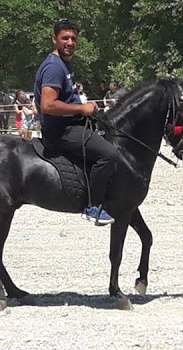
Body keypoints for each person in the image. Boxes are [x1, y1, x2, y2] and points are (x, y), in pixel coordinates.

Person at [34, 18, 119, 226]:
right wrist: (81, 108)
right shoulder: (54, 67)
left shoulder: (64, 64)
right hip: (61, 130)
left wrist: (85, 107)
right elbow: (48, 105)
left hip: (72, 123)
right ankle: (93, 206)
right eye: (65, 38)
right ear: (54, 39)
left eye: (73, 38)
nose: (70, 42)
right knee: (109, 154)